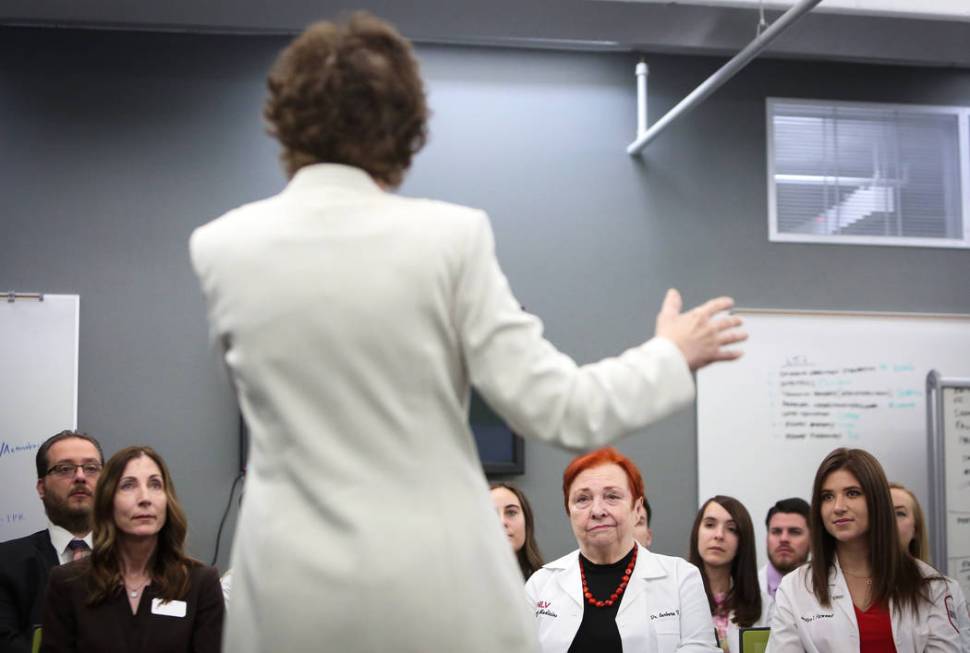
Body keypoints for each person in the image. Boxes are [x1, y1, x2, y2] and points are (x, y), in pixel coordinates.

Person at [189, 13, 746, 653]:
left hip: (287, 589)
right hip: (431, 583)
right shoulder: (449, 239)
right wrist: (671, 354)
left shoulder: (221, 246)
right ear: (408, 127)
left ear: (282, 117)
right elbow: (561, 407)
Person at [526, 447, 718, 652]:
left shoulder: (681, 578)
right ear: (569, 512)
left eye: (612, 496)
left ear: (636, 509)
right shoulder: (540, 584)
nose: (597, 511)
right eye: (583, 499)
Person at [768, 448, 961, 652]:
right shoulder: (794, 587)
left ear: (877, 501)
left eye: (852, 493)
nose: (838, 507)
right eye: (827, 497)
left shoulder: (929, 586)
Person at [40, 446, 224, 652]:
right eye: (128, 486)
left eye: (155, 485)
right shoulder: (68, 582)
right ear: (108, 501)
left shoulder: (200, 583)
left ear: (167, 500)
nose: (145, 498)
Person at [0, 430, 104, 653]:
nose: (80, 476)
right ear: (41, 487)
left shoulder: (135, 561)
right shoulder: (5, 563)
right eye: (65, 468)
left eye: (91, 468)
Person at [890, 482, 970, 651]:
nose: (889, 521)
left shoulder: (946, 589)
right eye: (883, 512)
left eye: (900, 513)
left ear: (915, 530)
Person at [689, 496, 765, 652]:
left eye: (731, 529)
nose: (719, 535)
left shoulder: (765, 605)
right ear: (697, 532)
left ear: (743, 541)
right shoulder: (675, 598)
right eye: (710, 525)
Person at [758, 498, 810, 622]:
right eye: (776, 531)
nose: (784, 539)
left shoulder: (831, 591)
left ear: (813, 540)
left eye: (794, 532)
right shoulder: (740, 592)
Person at [490, 483, 544, 580]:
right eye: (491, 513)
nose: (502, 522)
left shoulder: (546, 584)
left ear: (526, 522)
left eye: (511, 512)